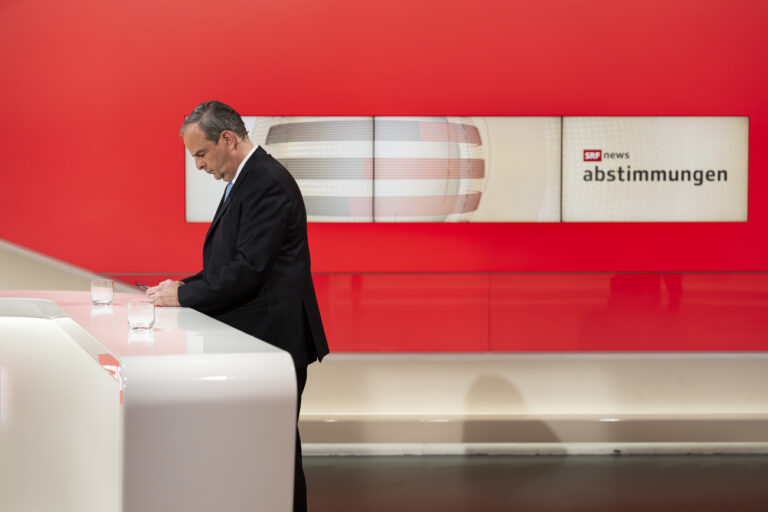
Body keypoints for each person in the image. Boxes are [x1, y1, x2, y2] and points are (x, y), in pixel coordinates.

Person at [148, 100, 329, 512]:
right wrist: (182, 286)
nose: (198, 166)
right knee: (256, 449)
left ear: (227, 139)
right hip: (258, 339)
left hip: (272, 340)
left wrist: (184, 295)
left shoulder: (265, 182)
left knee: (273, 450)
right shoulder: (247, 180)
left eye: (201, 154)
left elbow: (248, 269)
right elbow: (233, 263)